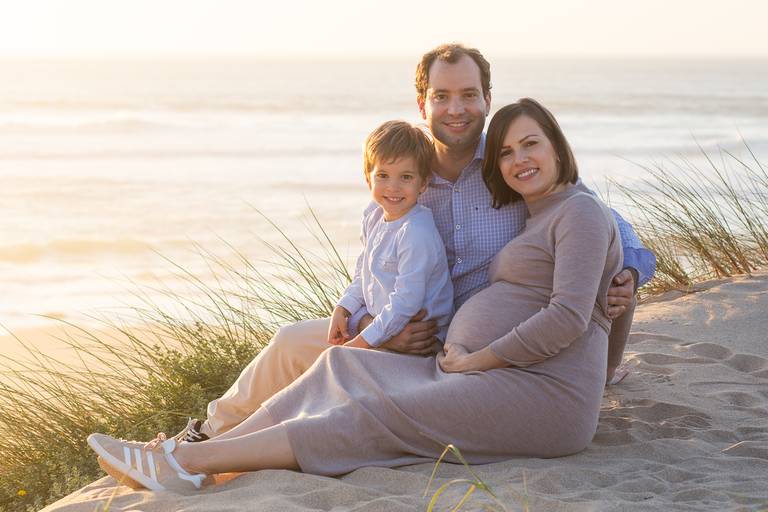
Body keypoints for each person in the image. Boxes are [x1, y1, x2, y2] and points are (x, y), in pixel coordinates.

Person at [87, 97, 625, 492]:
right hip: (483, 370)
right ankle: (195, 455)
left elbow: (571, 316)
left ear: (558, 145)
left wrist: (481, 359)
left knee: (367, 417)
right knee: (339, 368)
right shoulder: (538, 211)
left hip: (536, 395)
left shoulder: (579, 209)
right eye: (506, 152)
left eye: (531, 144)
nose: (517, 159)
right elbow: (604, 294)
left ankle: (187, 464)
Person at [136, 44, 656, 444]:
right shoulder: (404, 171)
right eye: (442, 95)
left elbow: (600, 218)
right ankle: (206, 435)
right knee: (292, 341)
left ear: (487, 100)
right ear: (422, 101)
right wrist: (362, 316)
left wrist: (627, 271)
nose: (456, 109)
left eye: (469, 95)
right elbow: (379, 257)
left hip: (479, 350)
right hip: (403, 330)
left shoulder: (510, 168)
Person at [327, 119, 453, 350]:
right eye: (383, 175)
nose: (393, 187)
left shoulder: (416, 232)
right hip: (380, 330)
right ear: (368, 178)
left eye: (406, 177)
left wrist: (360, 344)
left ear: (423, 183)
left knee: (328, 363)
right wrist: (343, 309)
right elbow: (363, 274)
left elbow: (405, 302)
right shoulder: (374, 215)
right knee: (286, 341)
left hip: (419, 344)